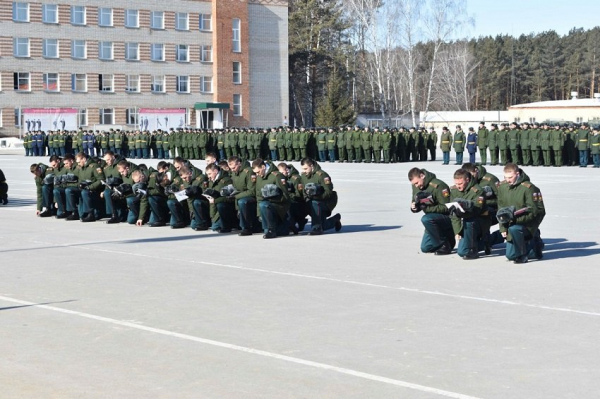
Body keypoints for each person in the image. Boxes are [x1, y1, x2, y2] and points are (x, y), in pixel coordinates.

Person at [496, 163, 545, 264]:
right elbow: (501, 209)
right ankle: (534, 247)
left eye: (510, 177)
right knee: (510, 255)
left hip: (526, 223)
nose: (508, 180)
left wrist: (516, 220)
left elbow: (535, 211)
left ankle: (522, 255)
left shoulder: (528, 188)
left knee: (515, 229)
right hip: (511, 224)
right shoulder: (502, 187)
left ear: (517, 174)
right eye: (505, 177)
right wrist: (503, 227)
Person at [408, 167, 454, 254]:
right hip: (431, 220)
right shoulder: (416, 186)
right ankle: (445, 239)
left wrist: (426, 208)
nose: (416, 186)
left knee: (426, 219)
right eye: (414, 184)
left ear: (422, 176)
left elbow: (447, 207)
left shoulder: (439, 185)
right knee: (426, 248)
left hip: (445, 218)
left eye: (417, 183)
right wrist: (414, 207)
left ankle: (445, 244)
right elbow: (415, 201)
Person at [448, 169, 488, 259]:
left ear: (467, 180)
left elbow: (476, 210)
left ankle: (475, 249)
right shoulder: (454, 190)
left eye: (460, 184)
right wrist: (457, 231)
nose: (458, 186)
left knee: (470, 220)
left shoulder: (478, 191)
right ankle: (482, 242)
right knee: (462, 252)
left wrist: (465, 207)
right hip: (465, 222)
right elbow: (453, 212)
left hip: (479, 220)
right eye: (456, 184)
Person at [299, 158, 341, 235]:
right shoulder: (303, 176)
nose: (304, 171)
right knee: (324, 225)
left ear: (311, 166)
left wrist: (317, 198)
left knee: (314, 203)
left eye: (306, 168)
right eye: (302, 169)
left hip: (325, 201)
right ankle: (335, 220)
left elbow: (329, 192)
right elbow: (303, 191)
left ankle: (316, 227)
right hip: (312, 202)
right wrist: (306, 198)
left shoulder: (322, 175)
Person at [251, 158, 291, 238]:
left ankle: (272, 230)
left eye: (258, 172)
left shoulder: (277, 176)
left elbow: (285, 195)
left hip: (279, 206)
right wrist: (259, 214)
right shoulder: (259, 177)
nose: (257, 174)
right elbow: (259, 196)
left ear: (263, 167)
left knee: (264, 204)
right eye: (255, 173)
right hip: (266, 206)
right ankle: (271, 229)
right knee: (263, 204)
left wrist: (271, 198)